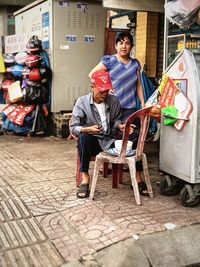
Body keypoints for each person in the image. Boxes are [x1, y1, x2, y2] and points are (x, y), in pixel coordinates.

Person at [89, 32, 148, 195]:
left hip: (129, 107)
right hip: (111, 108)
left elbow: (138, 85)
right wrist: (106, 86)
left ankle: (137, 178)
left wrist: (142, 102)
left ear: (131, 46)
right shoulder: (109, 60)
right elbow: (92, 75)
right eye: (121, 43)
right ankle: (104, 163)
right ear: (115, 45)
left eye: (127, 43)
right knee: (108, 134)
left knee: (133, 139)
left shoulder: (135, 64)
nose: (124, 46)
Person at [70, 70, 124, 198]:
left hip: (109, 141)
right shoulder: (82, 103)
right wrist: (87, 129)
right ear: (92, 87)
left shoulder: (114, 101)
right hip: (92, 142)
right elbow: (73, 127)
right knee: (83, 138)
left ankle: (138, 180)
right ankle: (85, 178)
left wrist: (120, 125)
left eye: (106, 91)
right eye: (101, 91)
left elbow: (116, 121)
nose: (104, 94)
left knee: (134, 135)